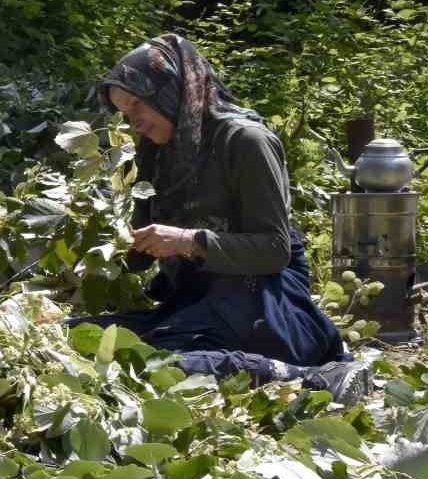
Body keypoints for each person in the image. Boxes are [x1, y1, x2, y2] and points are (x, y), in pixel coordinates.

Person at [83, 34, 369, 402]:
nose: (134, 120)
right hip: (197, 304)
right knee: (87, 342)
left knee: (159, 368)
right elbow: (137, 256)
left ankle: (315, 378)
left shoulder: (245, 141)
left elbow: (274, 249)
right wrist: (101, 245)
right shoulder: (157, 154)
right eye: (125, 112)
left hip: (264, 304)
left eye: (138, 103)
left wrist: (187, 241)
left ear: (170, 90)